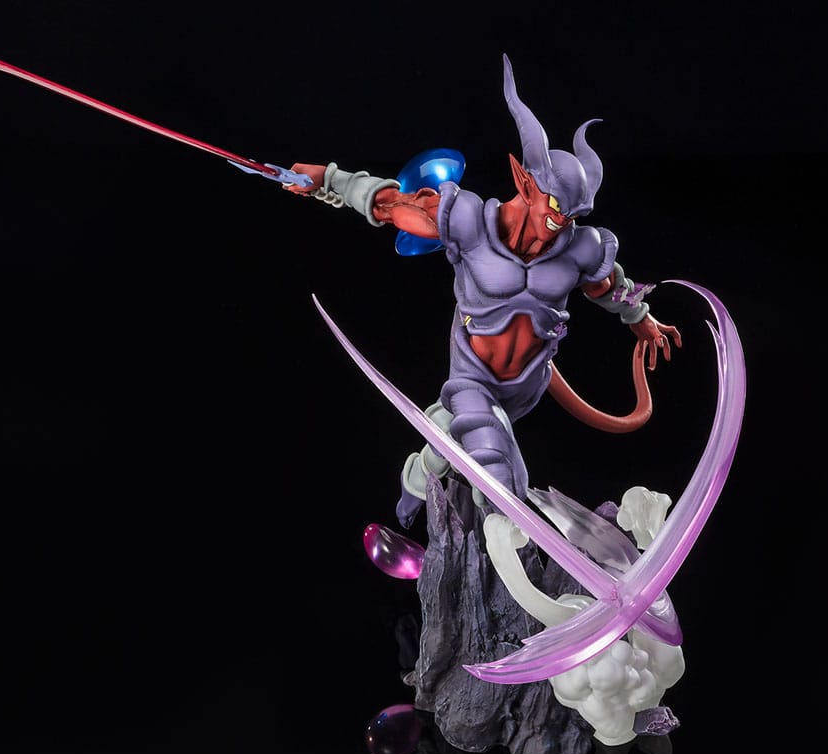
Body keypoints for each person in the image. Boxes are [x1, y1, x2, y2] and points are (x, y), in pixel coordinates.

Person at [286, 55, 680, 529]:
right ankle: (487, 529)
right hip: (474, 375)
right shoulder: (468, 222)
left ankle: (417, 477)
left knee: (449, 435)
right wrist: (329, 180)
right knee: (498, 478)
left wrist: (642, 320)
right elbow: (391, 206)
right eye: (556, 208)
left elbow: (610, 286)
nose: (562, 223)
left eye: (574, 216)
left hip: (530, 382)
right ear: (524, 182)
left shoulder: (579, 247)